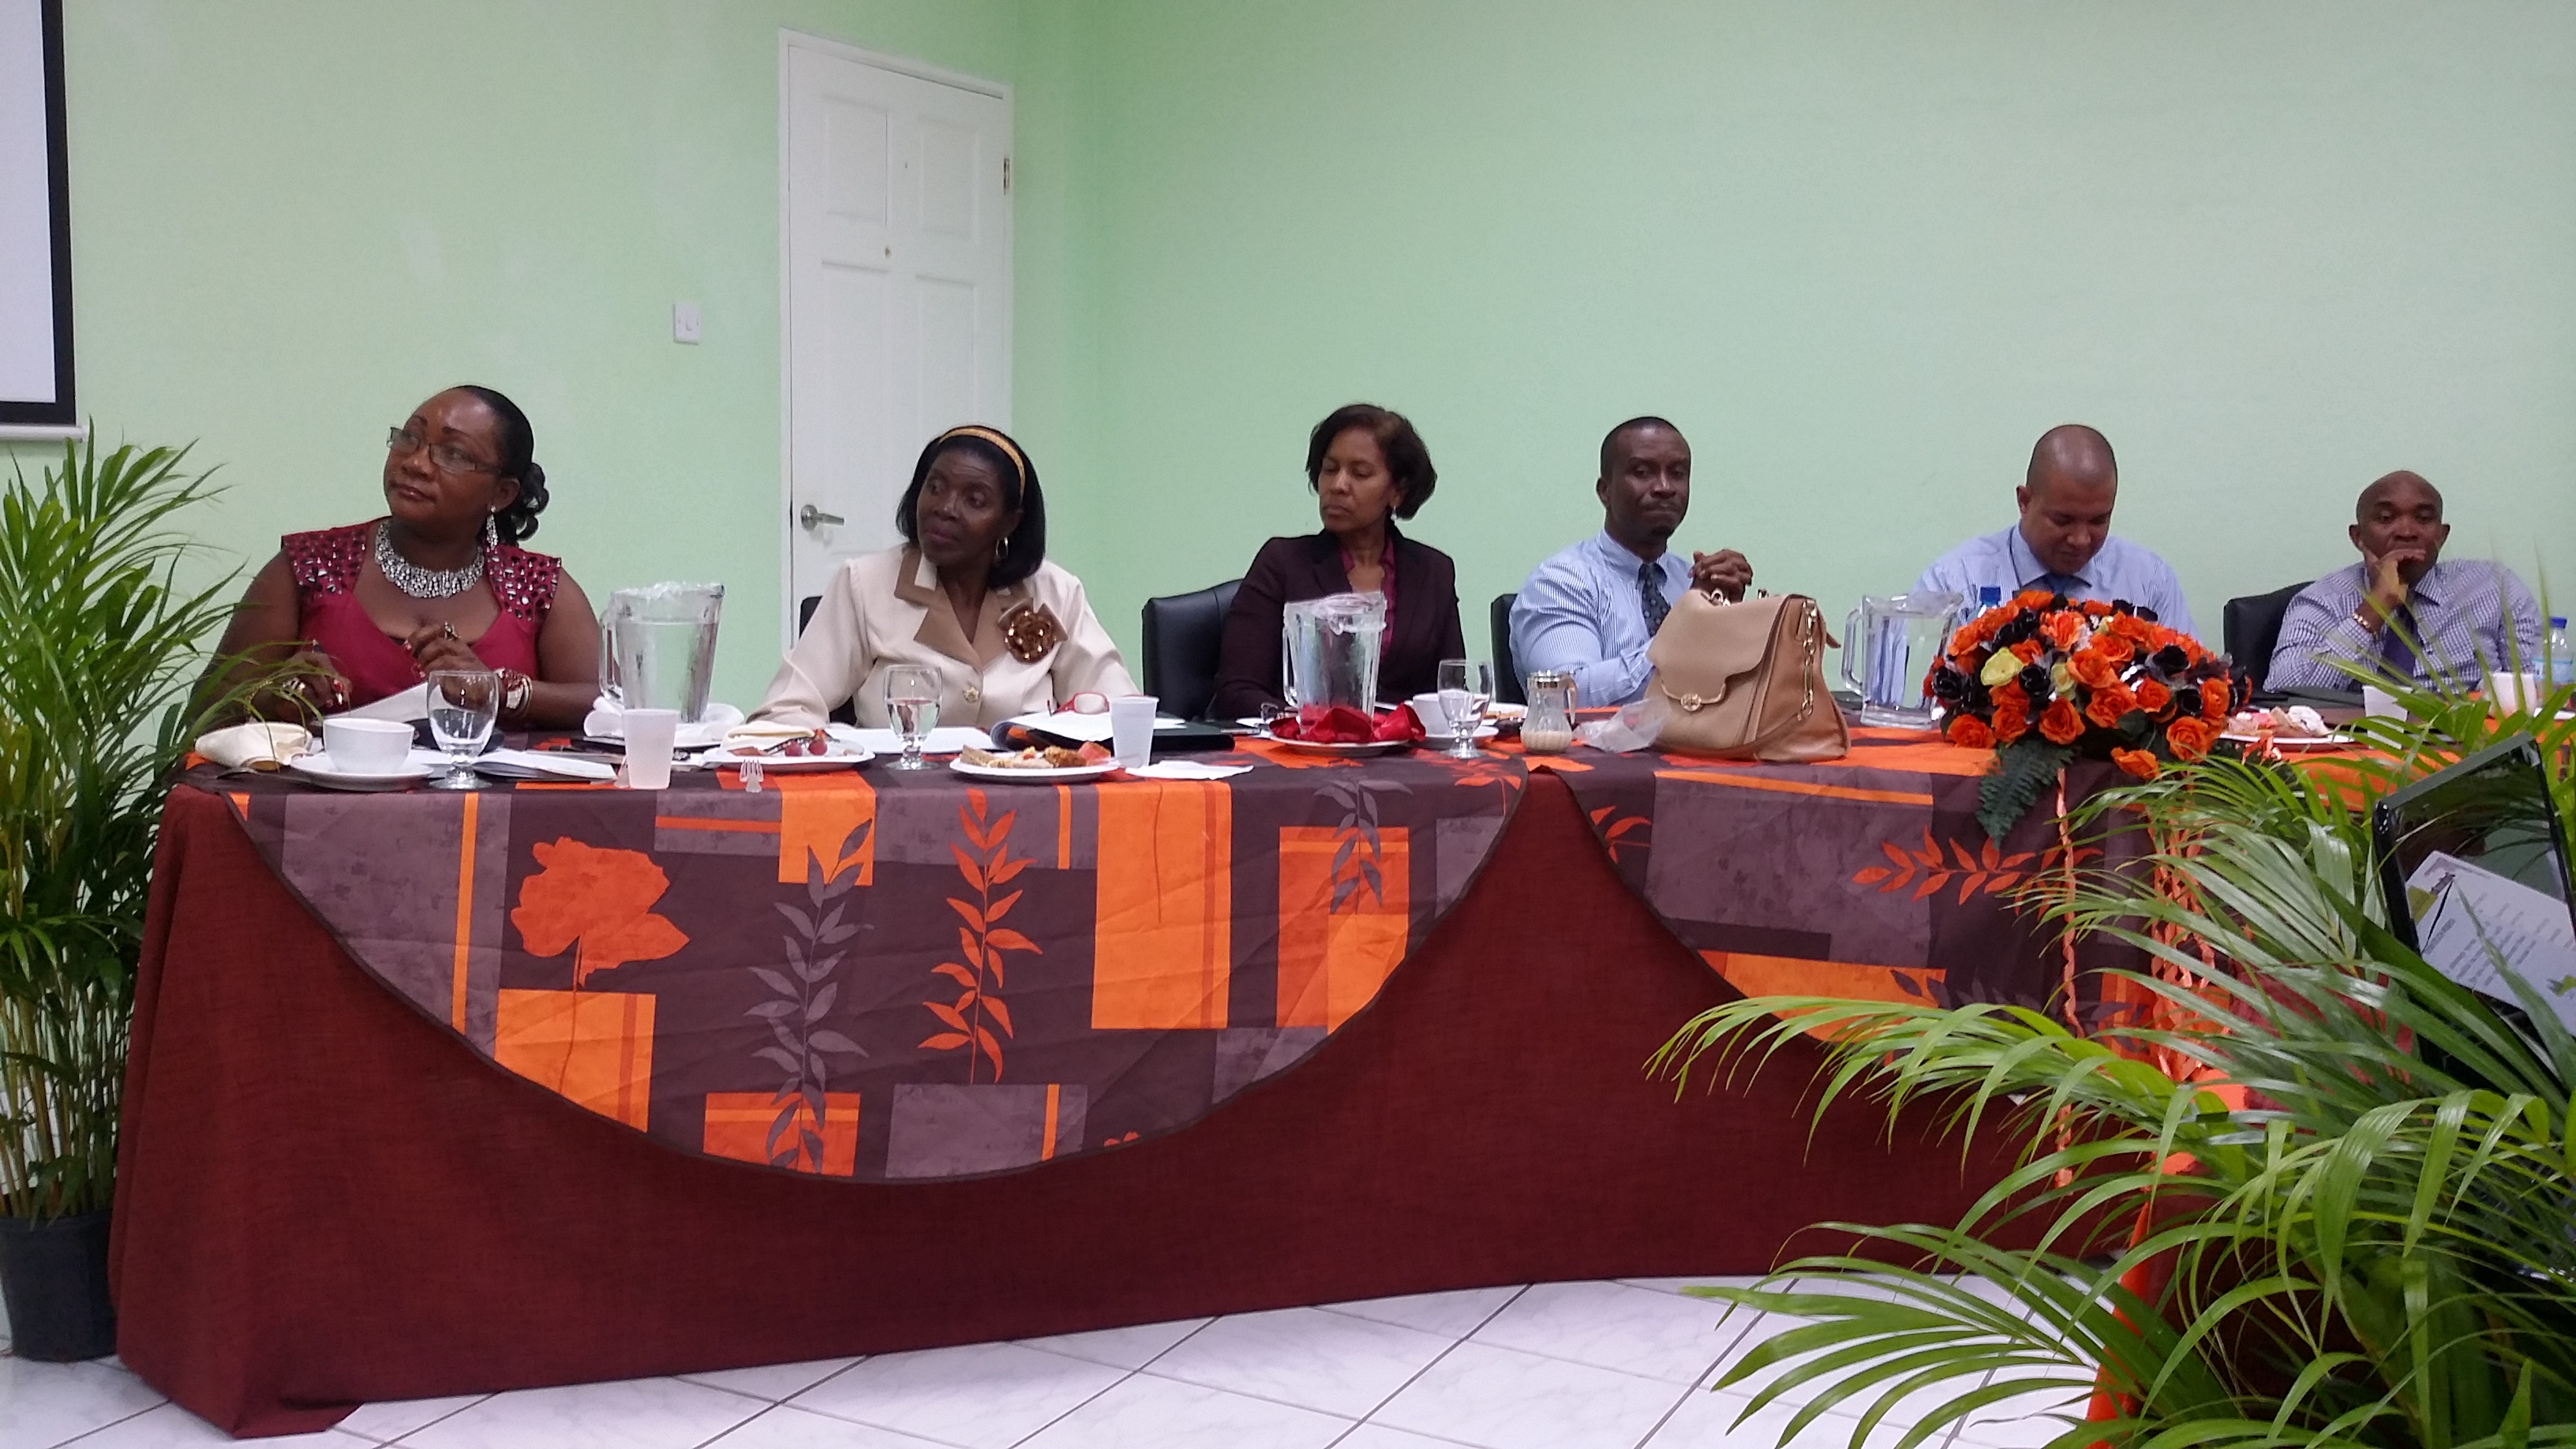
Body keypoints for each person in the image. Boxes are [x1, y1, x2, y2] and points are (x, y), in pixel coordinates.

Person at [204, 385, 599, 730]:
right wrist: (276, 697)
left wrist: (498, 691)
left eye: (454, 454)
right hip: (326, 795)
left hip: (491, 796)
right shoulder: (308, 566)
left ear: (501, 494)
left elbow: (605, 707)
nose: (415, 463)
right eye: (409, 438)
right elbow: (206, 711)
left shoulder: (538, 587)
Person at [754, 425, 1133, 729]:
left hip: (1030, 792)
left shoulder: (1056, 591)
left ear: (1010, 522)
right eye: (935, 488)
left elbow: (1120, 710)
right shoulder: (864, 584)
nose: (946, 508)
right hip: (897, 793)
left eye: (975, 500)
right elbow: (786, 710)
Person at [1209, 403, 1465, 719]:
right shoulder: (1283, 563)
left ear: (1397, 492)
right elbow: (1237, 692)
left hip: (1404, 747)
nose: (1338, 485)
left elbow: (1452, 691)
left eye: (1360, 473)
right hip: (1304, 745)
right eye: (1329, 469)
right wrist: (1315, 725)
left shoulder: (1433, 572)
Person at [1507, 416, 1752, 706]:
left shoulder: (1691, 578)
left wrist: (1730, 626)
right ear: (1605, 491)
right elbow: (1565, 697)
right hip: (1594, 738)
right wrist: (1690, 626)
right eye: (1642, 472)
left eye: (1677, 473)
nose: (1665, 487)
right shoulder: (1559, 581)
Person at [2267, 470, 2540, 691]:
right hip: (2358, 741)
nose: (2407, 532)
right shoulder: (2323, 600)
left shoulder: (2495, 588)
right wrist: (2374, 608)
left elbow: (2541, 691)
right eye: (2386, 518)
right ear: (2358, 537)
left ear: (2442, 536)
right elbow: (2280, 691)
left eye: (2423, 519)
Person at [1915, 424, 2195, 638]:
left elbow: (2194, 685)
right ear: (2024, 501)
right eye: (2063, 520)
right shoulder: (1956, 583)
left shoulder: (2149, 582)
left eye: (2098, 521)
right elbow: (1929, 695)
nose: (2080, 539)